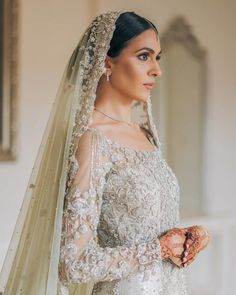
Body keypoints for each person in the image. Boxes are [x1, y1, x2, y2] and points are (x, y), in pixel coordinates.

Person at [0, 10, 210, 295]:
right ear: (107, 63)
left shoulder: (145, 135)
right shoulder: (93, 141)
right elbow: (72, 264)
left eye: (157, 58)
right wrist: (158, 248)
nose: (157, 70)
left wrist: (190, 237)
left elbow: (149, 227)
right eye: (144, 56)